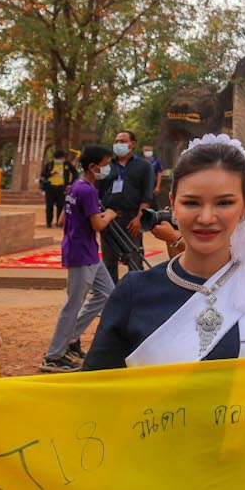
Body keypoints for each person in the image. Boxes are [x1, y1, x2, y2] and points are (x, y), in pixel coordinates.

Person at [83, 135, 245, 370]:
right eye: (191, 203)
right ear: (173, 204)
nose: (206, 218)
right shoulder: (133, 291)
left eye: (224, 203)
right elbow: (93, 394)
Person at [44, 144, 117, 372]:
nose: (107, 169)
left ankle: (71, 337)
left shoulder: (75, 187)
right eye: (105, 165)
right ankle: (53, 356)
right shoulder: (87, 191)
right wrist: (110, 214)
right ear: (93, 167)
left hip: (87, 251)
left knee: (106, 293)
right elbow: (97, 224)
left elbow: (61, 222)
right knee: (73, 304)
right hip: (81, 253)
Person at [101, 129, 155, 282]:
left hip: (132, 219)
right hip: (108, 220)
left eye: (123, 141)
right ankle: (111, 296)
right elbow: (97, 190)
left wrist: (140, 217)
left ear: (133, 144)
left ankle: (137, 295)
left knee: (134, 258)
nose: (119, 144)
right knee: (109, 261)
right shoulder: (106, 166)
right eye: (116, 141)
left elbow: (147, 193)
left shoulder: (144, 166)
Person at [40, 148, 75, 228]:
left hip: (62, 188)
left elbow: (75, 173)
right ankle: (48, 223)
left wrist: (70, 184)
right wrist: (51, 173)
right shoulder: (49, 164)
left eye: (62, 158)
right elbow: (43, 175)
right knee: (49, 206)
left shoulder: (66, 164)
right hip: (50, 188)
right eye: (59, 158)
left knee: (60, 205)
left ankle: (59, 223)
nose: (60, 160)